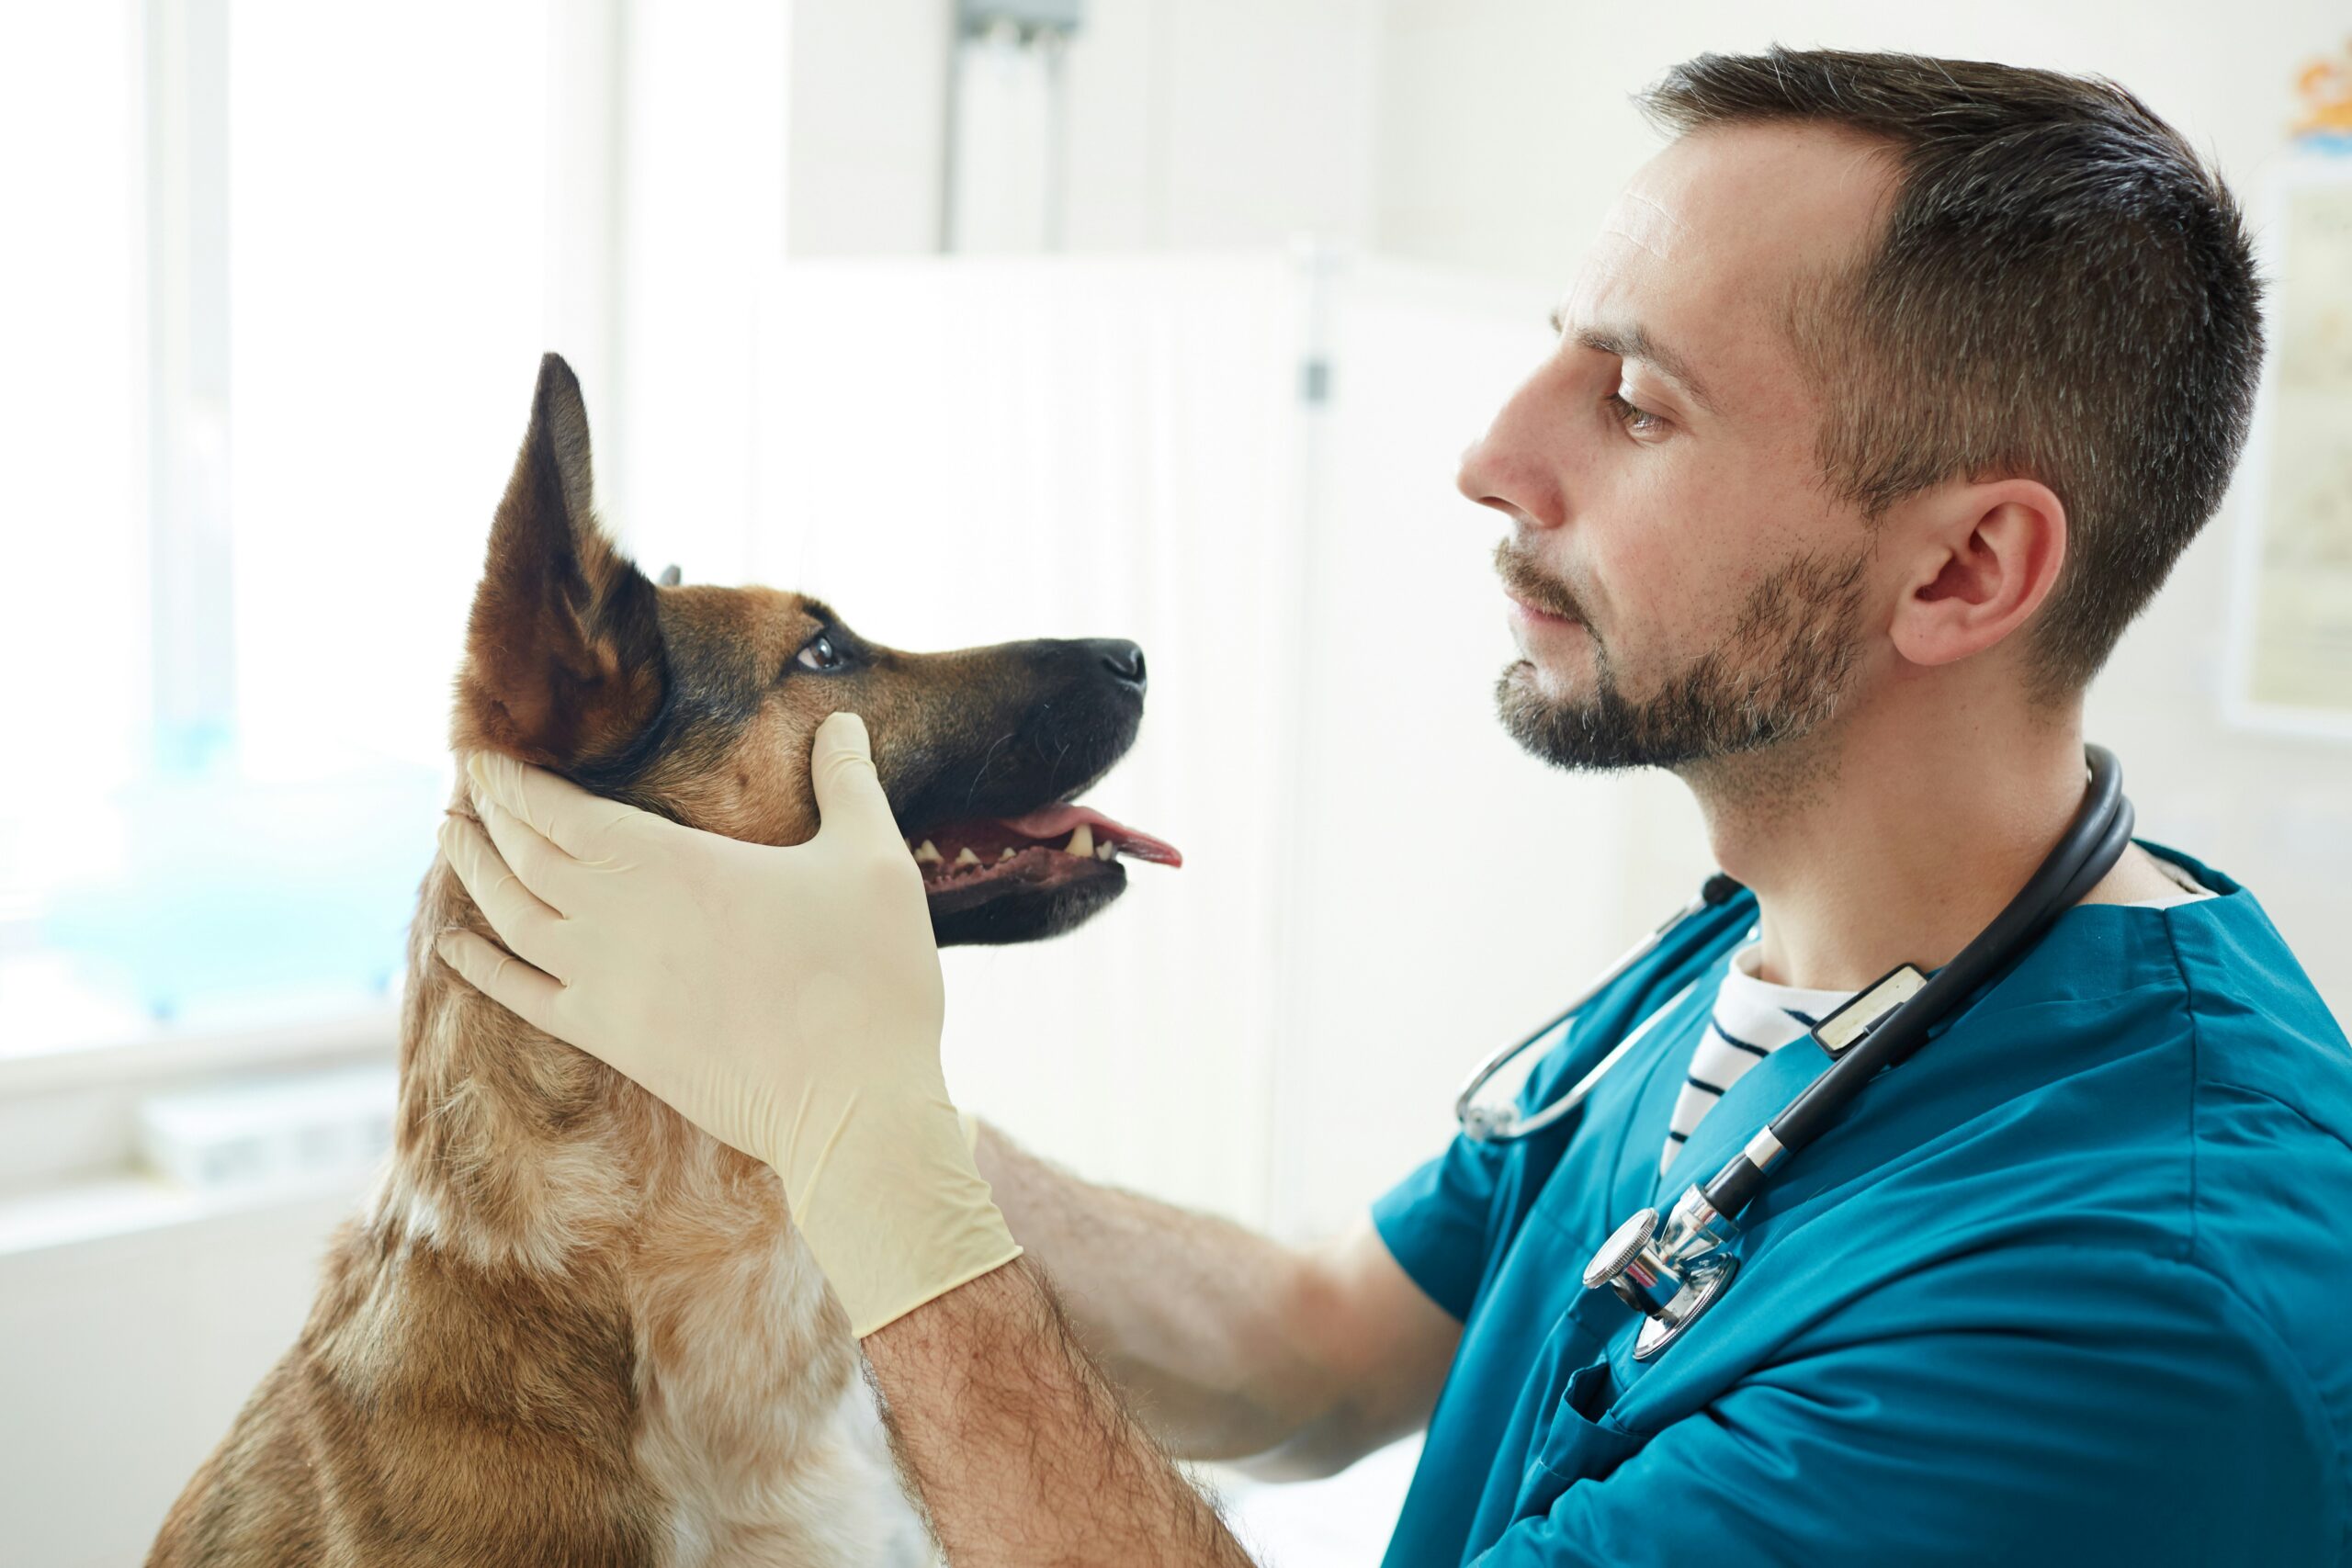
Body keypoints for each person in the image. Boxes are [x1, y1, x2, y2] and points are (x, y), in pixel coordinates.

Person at [435, 46, 2352, 1568]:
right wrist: (798, 1081)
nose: (1488, 450)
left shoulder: (2124, 1309)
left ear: (1957, 572)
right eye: (1554, 344)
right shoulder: (1777, 958)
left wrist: (864, 1150)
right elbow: (1314, 1352)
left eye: (1635, 400)